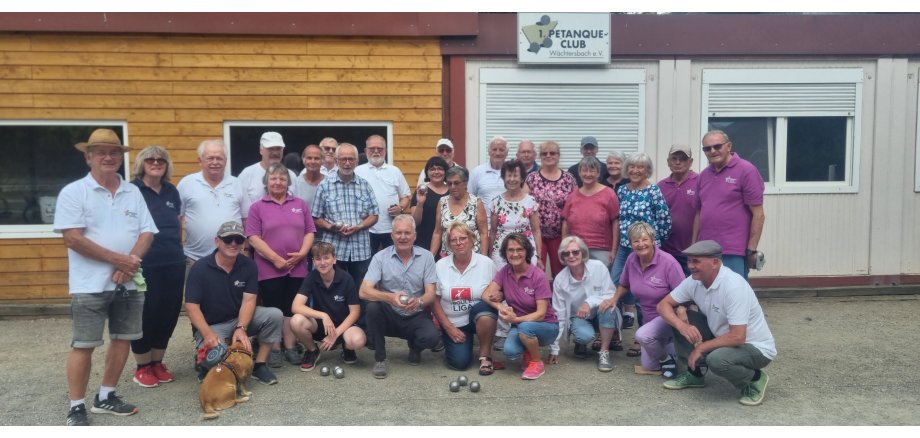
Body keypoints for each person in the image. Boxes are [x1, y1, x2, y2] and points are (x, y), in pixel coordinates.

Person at [55, 128, 157, 425]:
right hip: (88, 284)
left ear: (120, 158)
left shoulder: (132, 191)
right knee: (84, 344)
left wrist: (129, 265)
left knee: (122, 340)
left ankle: (106, 396)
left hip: (128, 281)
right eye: (100, 152)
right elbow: (73, 238)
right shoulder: (74, 192)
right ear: (88, 157)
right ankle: (76, 405)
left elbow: (147, 232)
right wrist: (119, 259)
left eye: (113, 152)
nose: (108, 157)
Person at [657, 240, 776, 406]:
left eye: (696, 261)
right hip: (723, 336)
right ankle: (695, 374)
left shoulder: (734, 286)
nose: (690, 266)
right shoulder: (694, 280)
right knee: (679, 319)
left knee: (717, 360)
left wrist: (701, 347)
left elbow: (738, 337)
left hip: (755, 347)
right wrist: (682, 325)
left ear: (715, 262)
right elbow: (663, 305)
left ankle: (754, 379)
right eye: (689, 260)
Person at [185, 221, 283, 386]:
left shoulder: (248, 265)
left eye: (238, 239)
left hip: (238, 319)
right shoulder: (200, 268)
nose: (233, 243)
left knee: (275, 315)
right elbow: (191, 307)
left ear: (243, 243)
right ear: (217, 241)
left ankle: (259, 366)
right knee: (218, 361)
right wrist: (208, 334)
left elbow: (249, 300)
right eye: (228, 239)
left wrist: (241, 327)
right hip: (212, 325)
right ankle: (204, 362)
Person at [246, 163, 316, 367]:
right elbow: (252, 237)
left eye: (282, 179)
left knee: (291, 309)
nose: (278, 182)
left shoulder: (300, 204)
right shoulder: (257, 207)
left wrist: (302, 253)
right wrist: (275, 259)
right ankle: (274, 348)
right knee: (273, 309)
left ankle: (291, 346)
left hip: (297, 267)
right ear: (266, 182)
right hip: (269, 269)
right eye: (273, 178)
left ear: (288, 182)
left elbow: (310, 231)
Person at [129, 146, 185, 389]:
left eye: (160, 160)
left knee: (168, 312)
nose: (155, 163)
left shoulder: (172, 191)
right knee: (146, 313)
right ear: (142, 163)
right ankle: (142, 366)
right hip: (145, 261)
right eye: (150, 159)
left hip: (173, 260)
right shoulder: (132, 190)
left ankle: (157, 362)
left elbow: (178, 223)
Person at [360, 215, 439, 379]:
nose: (403, 237)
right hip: (389, 314)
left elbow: (431, 293)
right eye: (398, 233)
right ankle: (380, 358)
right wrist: (390, 297)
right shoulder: (380, 258)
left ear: (414, 236)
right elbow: (363, 291)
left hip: (415, 313)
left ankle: (415, 348)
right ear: (392, 235)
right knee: (372, 307)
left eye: (407, 233)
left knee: (432, 338)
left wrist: (419, 301)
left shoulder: (427, 257)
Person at [603, 222, 684, 376]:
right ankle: (671, 351)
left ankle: (668, 357)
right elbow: (624, 284)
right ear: (631, 244)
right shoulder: (631, 260)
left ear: (653, 240)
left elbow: (684, 292)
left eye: (644, 239)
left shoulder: (669, 263)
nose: (641, 244)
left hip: (667, 317)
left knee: (641, 335)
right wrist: (614, 299)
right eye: (636, 241)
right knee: (649, 366)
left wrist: (681, 311)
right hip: (649, 320)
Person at [482, 233, 559, 380]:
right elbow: (485, 294)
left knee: (525, 328)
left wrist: (515, 320)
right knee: (510, 352)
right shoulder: (505, 271)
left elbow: (541, 314)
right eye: (510, 250)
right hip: (521, 324)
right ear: (505, 253)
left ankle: (537, 362)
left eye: (519, 249)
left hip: (546, 326)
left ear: (527, 252)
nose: (515, 254)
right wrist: (501, 307)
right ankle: (528, 350)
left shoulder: (538, 275)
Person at [610, 152, 671, 330]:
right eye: (632, 166)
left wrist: (654, 243)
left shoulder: (653, 191)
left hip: (646, 249)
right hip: (625, 247)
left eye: (640, 167)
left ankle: (645, 334)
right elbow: (618, 219)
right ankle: (614, 330)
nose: (635, 170)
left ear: (647, 170)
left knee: (645, 290)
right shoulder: (622, 190)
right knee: (615, 284)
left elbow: (664, 220)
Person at [693, 130, 766, 279]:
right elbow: (699, 213)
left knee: (733, 296)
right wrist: (694, 246)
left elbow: (759, 215)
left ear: (728, 146)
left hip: (733, 250)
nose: (712, 151)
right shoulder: (704, 175)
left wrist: (751, 250)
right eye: (707, 148)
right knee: (707, 295)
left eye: (717, 146)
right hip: (705, 249)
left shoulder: (746, 170)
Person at [431, 222, 501, 373]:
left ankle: (485, 355)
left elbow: (499, 290)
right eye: (453, 240)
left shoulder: (486, 263)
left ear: (472, 239)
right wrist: (448, 328)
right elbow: (434, 300)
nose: (458, 243)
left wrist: (499, 295)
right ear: (448, 244)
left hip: (479, 316)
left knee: (485, 310)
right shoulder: (440, 266)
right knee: (459, 363)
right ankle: (454, 344)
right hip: (454, 322)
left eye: (463, 238)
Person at [311, 143, 379, 288]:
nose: (347, 163)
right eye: (343, 159)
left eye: (351, 159)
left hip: (360, 248)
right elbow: (315, 217)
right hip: (333, 250)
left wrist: (360, 226)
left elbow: (374, 215)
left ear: (356, 162)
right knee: (335, 291)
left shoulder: (365, 185)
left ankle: (360, 312)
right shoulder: (324, 186)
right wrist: (331, 227)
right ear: (336, 161)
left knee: (362, 291)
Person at [291, 242, 367, 371]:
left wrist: (335, 334)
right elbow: (296, 306)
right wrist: (323, 315)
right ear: (313, 261)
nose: (322, 262)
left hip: (343, 326)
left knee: (357, 340)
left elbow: (355, 312)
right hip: (322, 325)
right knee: (296, 321)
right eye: (318, 258)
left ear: (334, 259)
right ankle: (312, 351)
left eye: (326, 257)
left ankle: (347, 349)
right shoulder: (311, 277)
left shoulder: (346, 278)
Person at [549, 236, 620, 372]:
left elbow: (612, 294)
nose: (571, 256)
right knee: (584, 336)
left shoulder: (598, 267)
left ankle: (604, 352)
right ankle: (579, 342)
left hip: (600, 313)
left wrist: (589, 302)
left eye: (575, 252)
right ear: (562, 257)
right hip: (579, 317)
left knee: (609, 307)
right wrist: (554, 349)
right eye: (566, 253)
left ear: (583, 252)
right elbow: (559, 315)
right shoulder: (560, 280)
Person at [177, 139, 246, 266]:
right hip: (194, 258)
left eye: (219, 158)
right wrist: (178, 245)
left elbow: (246, 219)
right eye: (210, 158)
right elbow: (177, 217)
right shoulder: (187, 183)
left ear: (225, 161)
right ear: (200, 161)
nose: (215, 162)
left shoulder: (237, 184)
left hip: (232, 259)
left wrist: (245, 248)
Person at [525, 140, 577, 278]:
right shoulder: (532, 178)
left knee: (561, 271)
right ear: (539, 157)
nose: (548, 156)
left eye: (552, 153)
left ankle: (561, 299)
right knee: (536, 270)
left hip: (560, 235)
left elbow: (576, 205)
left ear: (559, 156)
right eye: (544, 153)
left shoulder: (568, 179)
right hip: (537, 234)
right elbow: (523, 203)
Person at [355, 134, 411, 253]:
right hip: (365, 229)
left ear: (385, 150)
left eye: (380, 149)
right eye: (372, 149)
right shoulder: (357, 171)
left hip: (391, 229)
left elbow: (405, 196)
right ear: (365, 151)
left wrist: (400, 208)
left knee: (392, 264)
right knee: (367, 267)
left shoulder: (394, 171)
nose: (376, 152)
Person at [561, 156, 620, 267]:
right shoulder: (573, 196)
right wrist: (564, 247)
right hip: (576, 249)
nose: (588, 174)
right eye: (585, 170)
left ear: (598, 173)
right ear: (579, 172)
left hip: (602, 251)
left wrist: (613, 250)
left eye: (592, 170)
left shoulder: (609, 194)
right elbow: (565, 222)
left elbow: (615, 222)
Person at [489, 159, 542, 268]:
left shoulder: (531, 202)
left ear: (522, 178)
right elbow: (493, 232)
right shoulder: (496, 202)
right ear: (504, 178)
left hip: (526, 250)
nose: (512, 179)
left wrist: (539, 256)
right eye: (509, 175)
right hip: (501, 252)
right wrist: (489, 255)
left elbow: (536, 231)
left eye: (515, 175)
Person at [430, 166, 489, 259]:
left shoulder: (476, 203)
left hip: (472, 257)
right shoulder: (442, 202)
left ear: (465, 183)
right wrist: (431, 256)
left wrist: (484, 258)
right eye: (449, 183)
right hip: (448, 258)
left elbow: (484, 233)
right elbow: (437, 232)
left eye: (456, 183)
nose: (453, 187)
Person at [658, 144, 699, 275]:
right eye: (674, 158)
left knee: (694, 290)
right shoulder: (660, 186)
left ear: (690, 162)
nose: (678, 162)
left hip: (694, 250)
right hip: (666, 251)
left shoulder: (700, 182)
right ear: (668, 161)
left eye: (683, 158)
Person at [237, 131, 298, 215]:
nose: (275, 153)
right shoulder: (247, 174)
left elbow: (296, 207)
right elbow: (243, 213)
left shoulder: (291, 175)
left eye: (278, 148)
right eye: (271, 149)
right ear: (261, 150)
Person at [410, 156, 450, 258]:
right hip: (424, 241)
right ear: (427, 173)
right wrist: (420, 203)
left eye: (440, 169)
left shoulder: (452, 191)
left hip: (449, 242)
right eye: (432, 169)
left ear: (445, 172)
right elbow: (415, 222)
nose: (436, 172)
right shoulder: (422, 191)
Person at [468, 136, 509, 227]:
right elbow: (469, 199)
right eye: (494, 149)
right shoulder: (477, 172)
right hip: (484, 226)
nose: (497, 153)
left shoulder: (512, 172)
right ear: (489, 152)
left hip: (508, 226)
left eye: (501, 150)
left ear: (506, 153)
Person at [293, 144, 325, 208]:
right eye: (309, 158)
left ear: (322, 161)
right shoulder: (295, 183)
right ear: (304, 160)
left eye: (316, 158)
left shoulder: (329, 183)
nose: (313, 162)